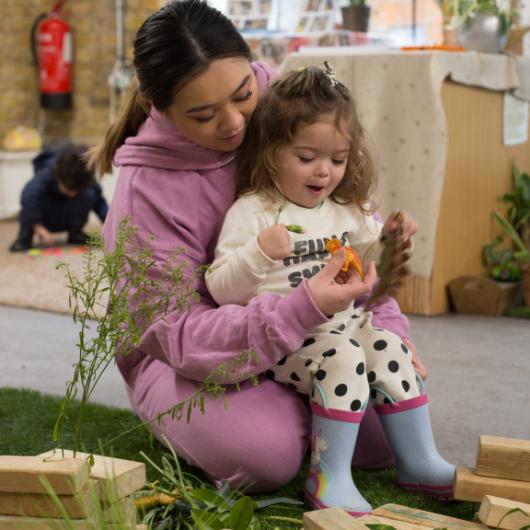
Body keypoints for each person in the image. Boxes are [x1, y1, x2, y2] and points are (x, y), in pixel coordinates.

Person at [89, 0, 428, 497]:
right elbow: (173, 332)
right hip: (193, 356)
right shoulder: (147, 190)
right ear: (154, 105)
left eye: (243, 94)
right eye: (203, 115)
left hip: (315, 333)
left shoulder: (287, 112)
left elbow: (351, 230)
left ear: (253, 68)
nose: (233, 124)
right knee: (266, 457)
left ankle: (310, 408)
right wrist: (293, 314)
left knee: (388, 427)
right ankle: (284, 418)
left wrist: (388, 327)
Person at [205, 65, 455, 514]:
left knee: (389, 346)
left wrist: (394, 237)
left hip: (345, 326)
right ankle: (329, 477)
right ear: (271, 150)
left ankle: (419, 461)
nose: (325, 171)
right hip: (288, 338)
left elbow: (370, 261)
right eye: (307, 157)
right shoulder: (256, 212)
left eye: (338, 159)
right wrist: (259, 253)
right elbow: (221, 290)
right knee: (344, 357)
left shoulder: (347, 209)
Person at [9, 141, 108, 252]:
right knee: (31, 203)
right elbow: (28, 197)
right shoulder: (47, 173)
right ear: (58, 177)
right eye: (69, 189)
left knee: (90, 194)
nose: (73, 194)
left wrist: (112, 224)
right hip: (46, 217)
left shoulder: (86, 177)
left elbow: (100, 203)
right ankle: (24, 236)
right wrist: (38, 227)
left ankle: (75, 233)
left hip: (68, 216)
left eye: (77, 190)